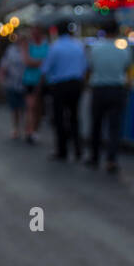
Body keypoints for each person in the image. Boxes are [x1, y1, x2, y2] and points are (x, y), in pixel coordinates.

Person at [86, 19, 133, 172]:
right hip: (116, 90)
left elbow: (90, 68)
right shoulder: (123, 50)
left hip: (98, 90)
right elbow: (127, 70)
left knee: (96, 125)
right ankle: (111, 160)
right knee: (114, 127)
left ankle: (94, 157)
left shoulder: (95, 49)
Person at [41, 20, 88, 161]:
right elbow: (85, 67)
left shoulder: (55, 47)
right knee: (74, 116)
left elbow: (45, 69)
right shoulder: (78, 46)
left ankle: (62, 150)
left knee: (59, 118)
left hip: (59, 86)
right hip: (75, 84)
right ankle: (78, 149)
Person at [0, 34, 28, 139]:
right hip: (12, 82)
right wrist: (1, 78)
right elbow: (4, 65)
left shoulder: (28, 49)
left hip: (26, 83)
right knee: (14, 108)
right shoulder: (11, 50)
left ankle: (25, 128)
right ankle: (16, 128)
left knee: (25, 107)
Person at [22, 26, 49, 143]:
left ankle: (34, 129)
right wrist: (41, 62)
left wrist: (36, 62)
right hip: (30, 80)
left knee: (39, 108)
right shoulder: (27, 44)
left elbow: (48, 61)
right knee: (31, 106)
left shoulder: (46, 44)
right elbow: (27, 61)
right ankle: (30, 130)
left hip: (43, 80)